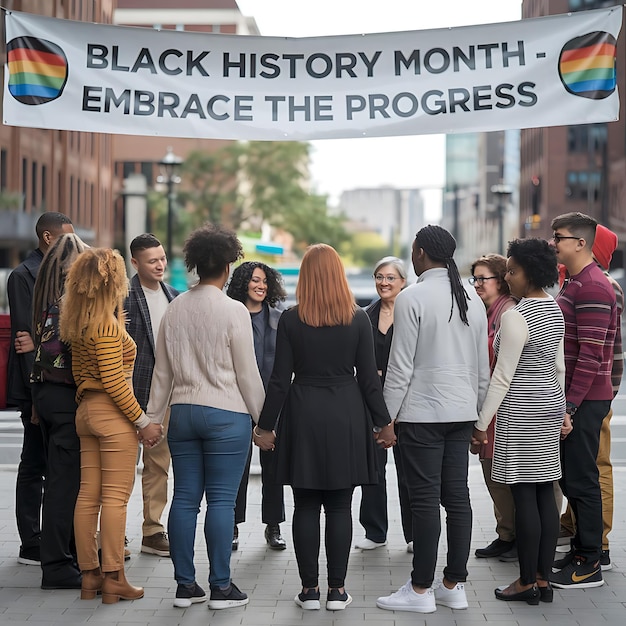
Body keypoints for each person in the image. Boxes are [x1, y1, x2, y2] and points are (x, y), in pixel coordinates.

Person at [253, 244, 395, 612]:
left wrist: (266, 426)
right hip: (346, 413)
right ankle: (338, 590)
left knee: (304, 505)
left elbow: (280, 380)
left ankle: (309, 591)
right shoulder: (358, 318)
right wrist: (384, 423)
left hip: (303, 413)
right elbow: (368, 380)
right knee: (340, 505)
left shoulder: (291, 319)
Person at [145, 224, 265, 610]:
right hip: (227, 415)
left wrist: (151, 419)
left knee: (183, 500)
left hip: (181, 414)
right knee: (221, 503)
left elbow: (161, 373)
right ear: (228, 267)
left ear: (195, 264)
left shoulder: (174, 307)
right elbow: (247, 373)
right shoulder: (234, 310)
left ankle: (185, 586)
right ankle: (221, 587)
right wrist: (264, 422)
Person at [377, 225, 489, 614]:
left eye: (412, 250)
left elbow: (400, 367)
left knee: (424, 501)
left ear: (422, 253)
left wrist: (385, 419)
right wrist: (479, 422)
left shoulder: (413, 297)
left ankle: (420, 589)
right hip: (461, 413)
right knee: (457, 498)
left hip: (422, 414)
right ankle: (453, 585)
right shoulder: (473, 298)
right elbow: (482, 370)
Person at [59, 248, 163, 604]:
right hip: (110, 414)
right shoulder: (106, 324)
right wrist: (143, 422)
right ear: (113, 281)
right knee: (115, 500)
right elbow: (115, 381)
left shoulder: (81, 321)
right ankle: (115, 577)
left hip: (86, 411)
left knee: (88, 496)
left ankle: (90, 577)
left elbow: (80, 374)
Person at [472, 238, 566, 605]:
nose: (508, 277)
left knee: (525, 495)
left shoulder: (517, 316)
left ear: (530, 272)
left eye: (512, 270)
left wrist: (481, 425)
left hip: (520, 413)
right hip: (547, 409)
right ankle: (543, 579)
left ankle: (526, 580)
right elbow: (558, 366)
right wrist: (562, 413)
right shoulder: (553, 309)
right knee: (545, 492)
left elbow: (502, 377)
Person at [550, 212, 616, 590]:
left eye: (558, 237)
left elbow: (591, 355)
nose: (553, 243)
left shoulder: (592, 286)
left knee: (583, 479)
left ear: (580, 243)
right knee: (575, 479)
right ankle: (580, 552)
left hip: (585, 400)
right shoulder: (575, 282)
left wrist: (569, 408)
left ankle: (590, 562)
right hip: (578, 398)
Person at [7, 211, 74, 566]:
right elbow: (25, 338)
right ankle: (30, 539)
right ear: (48, 238)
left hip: (58, 382)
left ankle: (53, 538)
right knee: (34, 460)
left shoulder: (66, 275)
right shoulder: (23, 276)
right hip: (37, 384)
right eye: (66, 238)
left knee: (56, 465)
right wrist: (33, 395)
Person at [28, 233, 87, 589]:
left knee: (58, 482)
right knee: (65, 486)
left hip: (46, 396)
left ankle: (64, 557)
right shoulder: (72, 303)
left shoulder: (46, 299)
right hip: (66, 400)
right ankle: (57, 567)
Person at [125, 233, 179, 558]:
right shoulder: (122, 297)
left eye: (162, 258)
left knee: (158, 466)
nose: (160, 265)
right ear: (135, 262)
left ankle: (153, 530)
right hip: (129, 397)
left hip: (165, 398)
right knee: (120, 468)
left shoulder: (174, 296)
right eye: (152, 261)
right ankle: (111, 532)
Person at [227, 262, 288, 551]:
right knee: (236, 467)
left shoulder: (280, 318)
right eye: (254, 280)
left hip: (272, 403)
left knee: (273, 469)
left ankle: (273, 526)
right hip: (237, 400)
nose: (260, 286)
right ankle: (233, 526)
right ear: (243, 284)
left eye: (264, 281)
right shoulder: (231, 316)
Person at [355, 256, 411, 551]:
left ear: (403, 282)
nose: (384, 283)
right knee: (373, 469)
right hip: (371, 401)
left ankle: (413, 534)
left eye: (390, 277)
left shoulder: (413, 314)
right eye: (379, 276)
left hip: (407, 401)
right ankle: (375, 531)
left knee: (409, 469)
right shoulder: (364, 315)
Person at [469, 254, 518, 562]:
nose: (476, 285)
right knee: (491, 474)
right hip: (489, 402)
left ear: (500, 280)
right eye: (474, 279)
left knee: (501, 477)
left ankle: (514, 536)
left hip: (503, 405)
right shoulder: (489, 311)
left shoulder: (508, 311)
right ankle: (506, 533)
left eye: (482, 279)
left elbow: (502, 366)